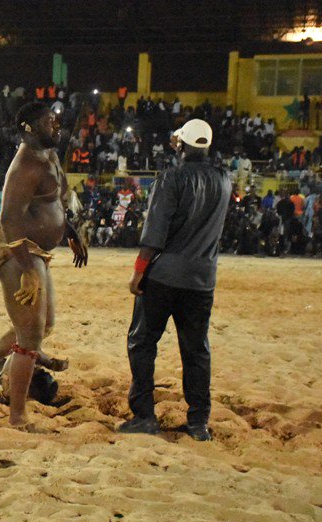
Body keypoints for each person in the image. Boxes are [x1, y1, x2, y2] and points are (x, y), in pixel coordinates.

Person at [0, 102, 88, 429]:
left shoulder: (50, 156)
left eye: (56, 119)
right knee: (30, 335)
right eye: (49, 121)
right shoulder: (25, 165)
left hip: (34, 251)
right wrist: (27, 269)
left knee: (42, 325)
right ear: (29, 127)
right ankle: (16, 417)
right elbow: (10, 221)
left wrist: (68, 231)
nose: (56, 125)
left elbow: (53, 203)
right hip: (16, 250)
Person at [122, 119, 231, 442]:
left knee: (142, 342)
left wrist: (138, 272)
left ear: (181, 145)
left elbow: (155, 233)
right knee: (196, 350)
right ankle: (199, 422)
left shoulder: (171, 179)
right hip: (202, 279)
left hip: (164, 276)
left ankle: (144, 416)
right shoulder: (223, 180)